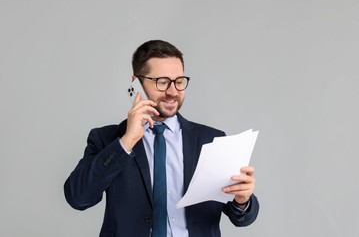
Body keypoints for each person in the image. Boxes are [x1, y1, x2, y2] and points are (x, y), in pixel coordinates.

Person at [64, 40, 260, 237]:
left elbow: (241, 218)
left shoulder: (211, 139)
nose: (173, 91)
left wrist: (242, 200)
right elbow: (78, 198)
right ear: (136, 83)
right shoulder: (107, 139)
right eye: (162, 82)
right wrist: (126, 143)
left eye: (179, 81)